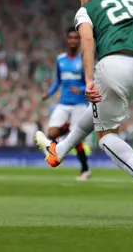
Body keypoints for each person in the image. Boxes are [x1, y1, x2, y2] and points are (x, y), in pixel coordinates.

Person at [35, 0, 133, 220]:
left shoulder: (87, 9)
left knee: (106, 136)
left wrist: (89, 79)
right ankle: (59, 151)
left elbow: (87, 39)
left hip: (114, 64)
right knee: (99, 110)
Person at [41, 27, 91, 180]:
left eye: (76, 38)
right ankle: (59, 149)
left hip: (79, 104)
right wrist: (49, 93)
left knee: (76, 138)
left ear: (79, 40)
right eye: (70, 37)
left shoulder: (84, 59)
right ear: (67, 40)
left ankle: (85, 170)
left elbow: (91, 81)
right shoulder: (60, 59)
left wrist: (81, 89)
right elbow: (58, 80)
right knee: (51, 133)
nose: (73, 40)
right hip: (63, 102)